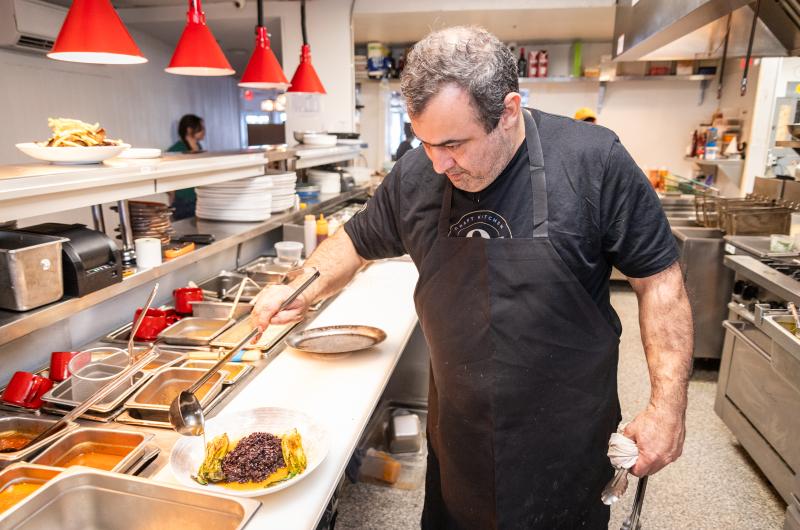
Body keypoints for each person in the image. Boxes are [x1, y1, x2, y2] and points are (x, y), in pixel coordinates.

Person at [252, 26, 692, 529]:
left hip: (566, 439)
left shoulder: (594, 161)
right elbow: (354, 242)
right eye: (425, 143)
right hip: (459, 434)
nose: (438, 163)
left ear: (507, 111)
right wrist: (300, 285)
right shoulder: (418, 173)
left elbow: (659, 281)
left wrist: (667, 407)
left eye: (454, 144)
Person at [167, 114, 205, 220]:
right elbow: (166, 177)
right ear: (189, 130)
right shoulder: (176, 150)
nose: (204, 131)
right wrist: (172, 195)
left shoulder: (199, 147)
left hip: (199, 197)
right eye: (201, 128)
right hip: (184, 200)